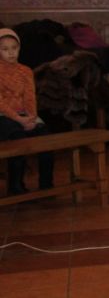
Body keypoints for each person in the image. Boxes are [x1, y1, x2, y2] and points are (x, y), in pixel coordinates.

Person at [0, 28, 54, 195]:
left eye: (14, 48)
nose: (11, 53)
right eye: (5, 49)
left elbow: (30, 97)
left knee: (45, 136)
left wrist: (31, 117)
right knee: (18, 138)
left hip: (25, 115)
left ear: (19, 48)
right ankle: (15, 185)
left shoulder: (26, 71)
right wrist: (19, 119)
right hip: (4, 115)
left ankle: (46, 184)